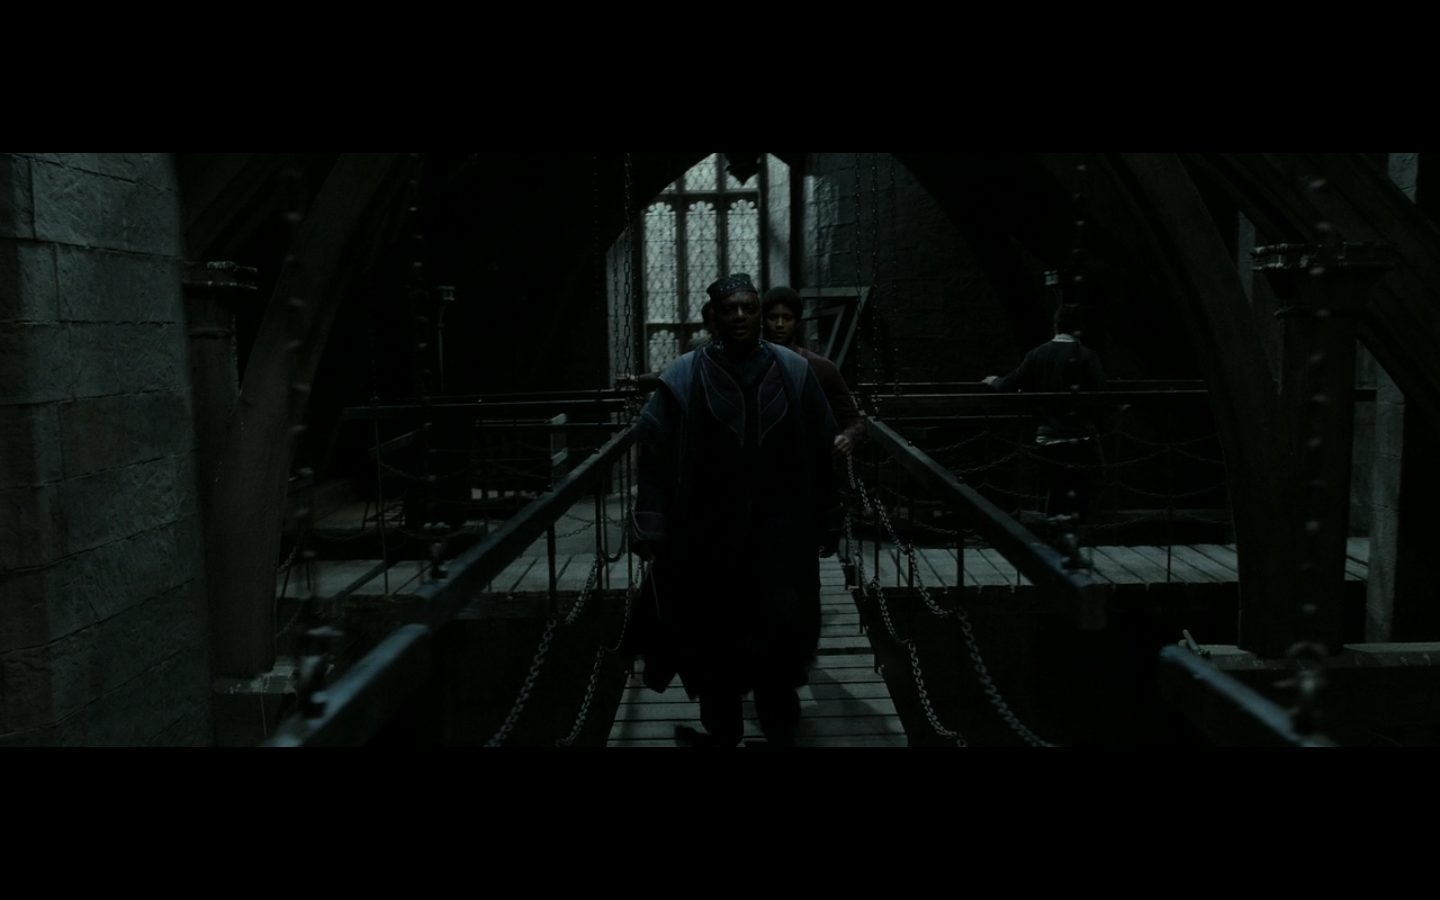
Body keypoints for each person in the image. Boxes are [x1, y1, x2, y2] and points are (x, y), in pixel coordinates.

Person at [630, 273, 842, 747]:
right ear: (715, 318)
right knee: (714, 633)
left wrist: (829, 517)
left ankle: (779, 719)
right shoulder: (685, 376)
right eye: (730, 310)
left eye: (749, 308)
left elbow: (820, 450)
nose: (741, 316)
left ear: (759, 314)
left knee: (780, 628)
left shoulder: (794, 371)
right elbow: (655, 456)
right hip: (708, 532)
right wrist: (651, 523)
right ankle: (722, 727)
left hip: (780, 531)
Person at [983, 303, 1107, 540]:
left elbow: (1010, 383)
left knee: (1056, 489)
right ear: (1079, 329)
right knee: (1094, 483)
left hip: (1048, 436)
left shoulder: (1037, 354)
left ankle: (1055, 539)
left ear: (1056, 325)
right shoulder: (1087, 356)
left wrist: (994, 381)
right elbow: (1101, 395)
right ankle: (1075, 532)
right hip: (1080, 437)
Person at [761, 287, 866, 460]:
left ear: (797, 322)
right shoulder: (754, 367)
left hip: (810, 460)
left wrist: (848, 437)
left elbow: (855, 421)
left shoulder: (821, 368)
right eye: (773, 317)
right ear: (764, 320)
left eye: (787, 318)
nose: (779, 324)